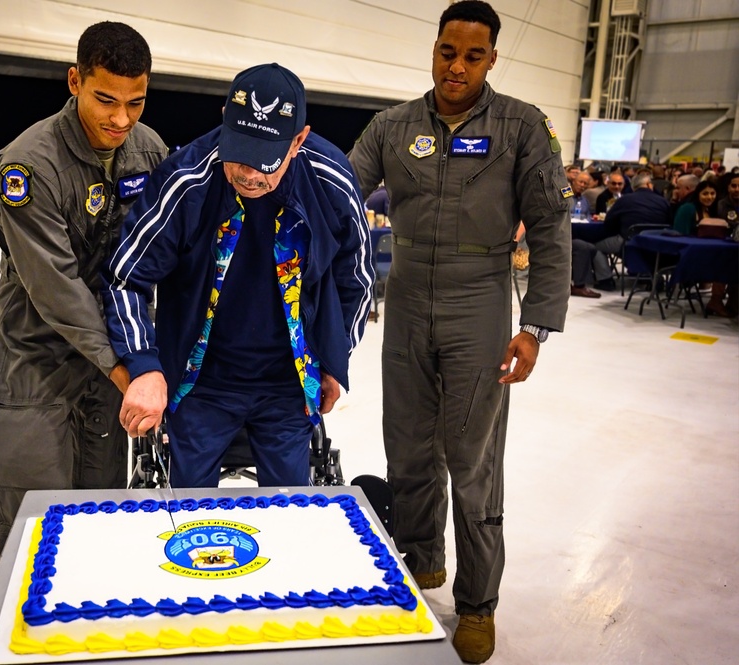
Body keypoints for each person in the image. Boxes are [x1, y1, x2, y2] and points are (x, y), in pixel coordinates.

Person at [346, 2, 570, 662]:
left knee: (471, 458)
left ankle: (477, 603)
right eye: (448, 51)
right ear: (434, 48)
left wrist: (534, 327)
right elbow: (339, 188)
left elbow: (552, 229)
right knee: (408, 445)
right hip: (408, 298)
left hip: (480, 302)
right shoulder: (391, 126)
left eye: (473, 56)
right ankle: (421, 560)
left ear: (491, 59)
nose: (457, 66)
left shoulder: (521, 126)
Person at [103, 63, 373, 490]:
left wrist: (334, 360)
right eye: (240, 154)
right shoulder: (185, 179)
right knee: (189, 513)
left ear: (298, 141)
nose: (249, 174)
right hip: (201, 382)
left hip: (288, 381)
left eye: (265, 162)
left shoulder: (331, 181)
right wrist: (144, 367)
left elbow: (355, 280)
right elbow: (125, 279)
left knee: (289, 507)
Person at [0, 21, 168, 556]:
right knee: (34, 527)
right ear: (74, 81)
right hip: (38, 364)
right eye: (106, 100)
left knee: (103, 516)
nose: (121, 119)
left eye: (136, 102)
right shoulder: (28, 167)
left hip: (108, 371)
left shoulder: (149, 151)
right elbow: (56, 288)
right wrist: (130, 370)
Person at [587, 171, 671, 291]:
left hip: (629, 241)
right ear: (649, 185)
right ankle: (649, 275)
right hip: (657, 244)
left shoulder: (625, 200)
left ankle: (605, 280)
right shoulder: (663, 201)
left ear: (632, 187)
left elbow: (608, 223)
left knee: (594, 246)